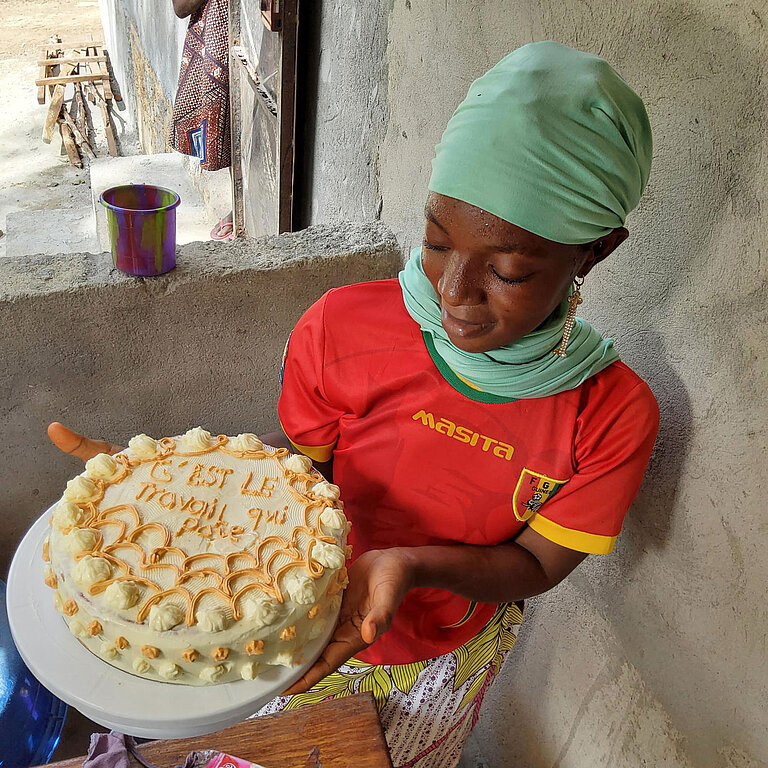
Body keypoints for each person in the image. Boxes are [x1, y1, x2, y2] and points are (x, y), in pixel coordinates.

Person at [48, 42, 659, 768]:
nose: (453, 293)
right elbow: (292, 479)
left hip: (440, 653)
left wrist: (409, 564)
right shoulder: (342, 325)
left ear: (595, 251)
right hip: (292, 623)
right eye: (435, 243)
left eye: (507, 270)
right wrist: (166, 493)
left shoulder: (612, 413)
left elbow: (536, 564)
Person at [169, 0, 234, 240]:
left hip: (255, 38)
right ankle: (239, 207)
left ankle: (244, 209)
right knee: (228, 125)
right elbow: (181, 7)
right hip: (218, 41)